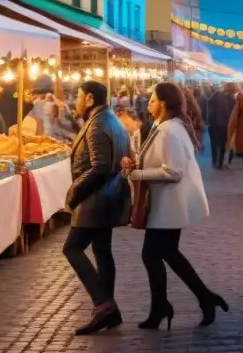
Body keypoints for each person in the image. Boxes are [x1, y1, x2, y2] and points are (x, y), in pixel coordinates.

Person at [122, 82, 226, 330]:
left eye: (153, 99)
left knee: (152, 254)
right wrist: (137, 165)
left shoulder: (169, 130)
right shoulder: (164, 126)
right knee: (167, 254)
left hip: (169, 204)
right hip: (166, 203)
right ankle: (201, 299)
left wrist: (138, 175)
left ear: (164, 103)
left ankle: (165, 307)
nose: (148, 102)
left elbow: (174, 171)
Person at [63, 81, 131, 336]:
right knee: (102, 250)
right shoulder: (110, 119)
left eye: (78, 97)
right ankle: (109, 312)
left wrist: (74, 192)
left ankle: (102, 303)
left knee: (72, 248)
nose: (76, 102)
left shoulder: (98, 123)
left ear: (90, 98)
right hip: (109, 197)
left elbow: (100, 166)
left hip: (96, 199)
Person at [206, 83, 237, 169]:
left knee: (214, 143)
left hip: (214, 124)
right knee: (223, 144)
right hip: (224, 125)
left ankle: (215, 161)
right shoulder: (233, 100)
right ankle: (219, 162)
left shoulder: (216, 95)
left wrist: (208, 120)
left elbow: (210, 108)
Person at [182, 86, 205, 152]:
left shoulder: (184, 111)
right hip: (194, 135)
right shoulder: (196, 108)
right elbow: (200, 124)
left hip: (187, 135)